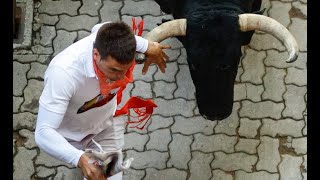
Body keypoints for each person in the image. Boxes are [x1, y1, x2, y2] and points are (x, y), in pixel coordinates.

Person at [34, 21, 170, 180]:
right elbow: (43, 132)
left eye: (126, 70)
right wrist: (79, 158)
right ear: (95, 54)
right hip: (72, 135)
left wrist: (147, 46)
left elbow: (101, 27)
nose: (121, 78)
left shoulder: (105, 33)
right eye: (114, 70)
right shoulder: (63, 74)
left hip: (106, 125)